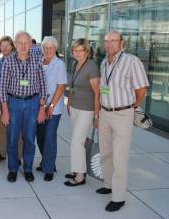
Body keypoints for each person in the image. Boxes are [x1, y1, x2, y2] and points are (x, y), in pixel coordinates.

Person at [96, 31, 149, 212]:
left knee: (119, 156)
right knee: (105, 152)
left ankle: (118, 197)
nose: (109, 44)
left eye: (113, 41)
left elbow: (141, 89)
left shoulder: (132, 61)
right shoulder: (104, 62)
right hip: (104, 113)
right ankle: (108, 184)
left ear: (121, 43)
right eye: (106, 41)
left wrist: (130, 107)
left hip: (122, 114)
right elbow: (105, 88)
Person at [0, 31, 47, 183]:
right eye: (20, 42)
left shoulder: (38, 60)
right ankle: (12, 169)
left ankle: (27, 169)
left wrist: (42, 108)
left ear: (31, 44)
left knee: (30, 139)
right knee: (12, 138)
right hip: (14, 103)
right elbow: (2, 88)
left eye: (27, 42)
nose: (24, 46)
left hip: (33, 103)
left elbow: (43, 85)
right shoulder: (8, 61)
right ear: (15, 44)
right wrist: (5, 111)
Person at [64, 38, 100, 186]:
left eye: (80, 50)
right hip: (74, 108)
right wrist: (69, 103)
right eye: (74, 50)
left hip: (87, 109)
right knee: (80, 140)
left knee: (76, 142)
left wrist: (97, 115)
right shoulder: (75, 64)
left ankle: (80, 177)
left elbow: (98, 93)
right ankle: (78, 169)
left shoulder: (91, 66)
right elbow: (72, 87)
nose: (77, 53)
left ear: (87, 51)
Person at [36, 36, 67, 181]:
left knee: (49, 137)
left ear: (55, 48)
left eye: (51, 47)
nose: (48, 50)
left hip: (53, 108)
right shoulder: (39, 62)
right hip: (39, 106)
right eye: (45, 47)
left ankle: (49, 168)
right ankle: (45, 161)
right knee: (40, 137)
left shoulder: (59, 64)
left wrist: (51, 106)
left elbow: (61, 87)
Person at [0, 36, 23, 164]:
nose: (5, 48)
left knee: (18, 128)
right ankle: (2, 152)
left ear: (12, 46)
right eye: (2, 46)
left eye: (7, 45)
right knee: (1, 127)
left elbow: (24, 81)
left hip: (16, 99)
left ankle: (18, 155)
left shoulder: (19, 61)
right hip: (1, 100)